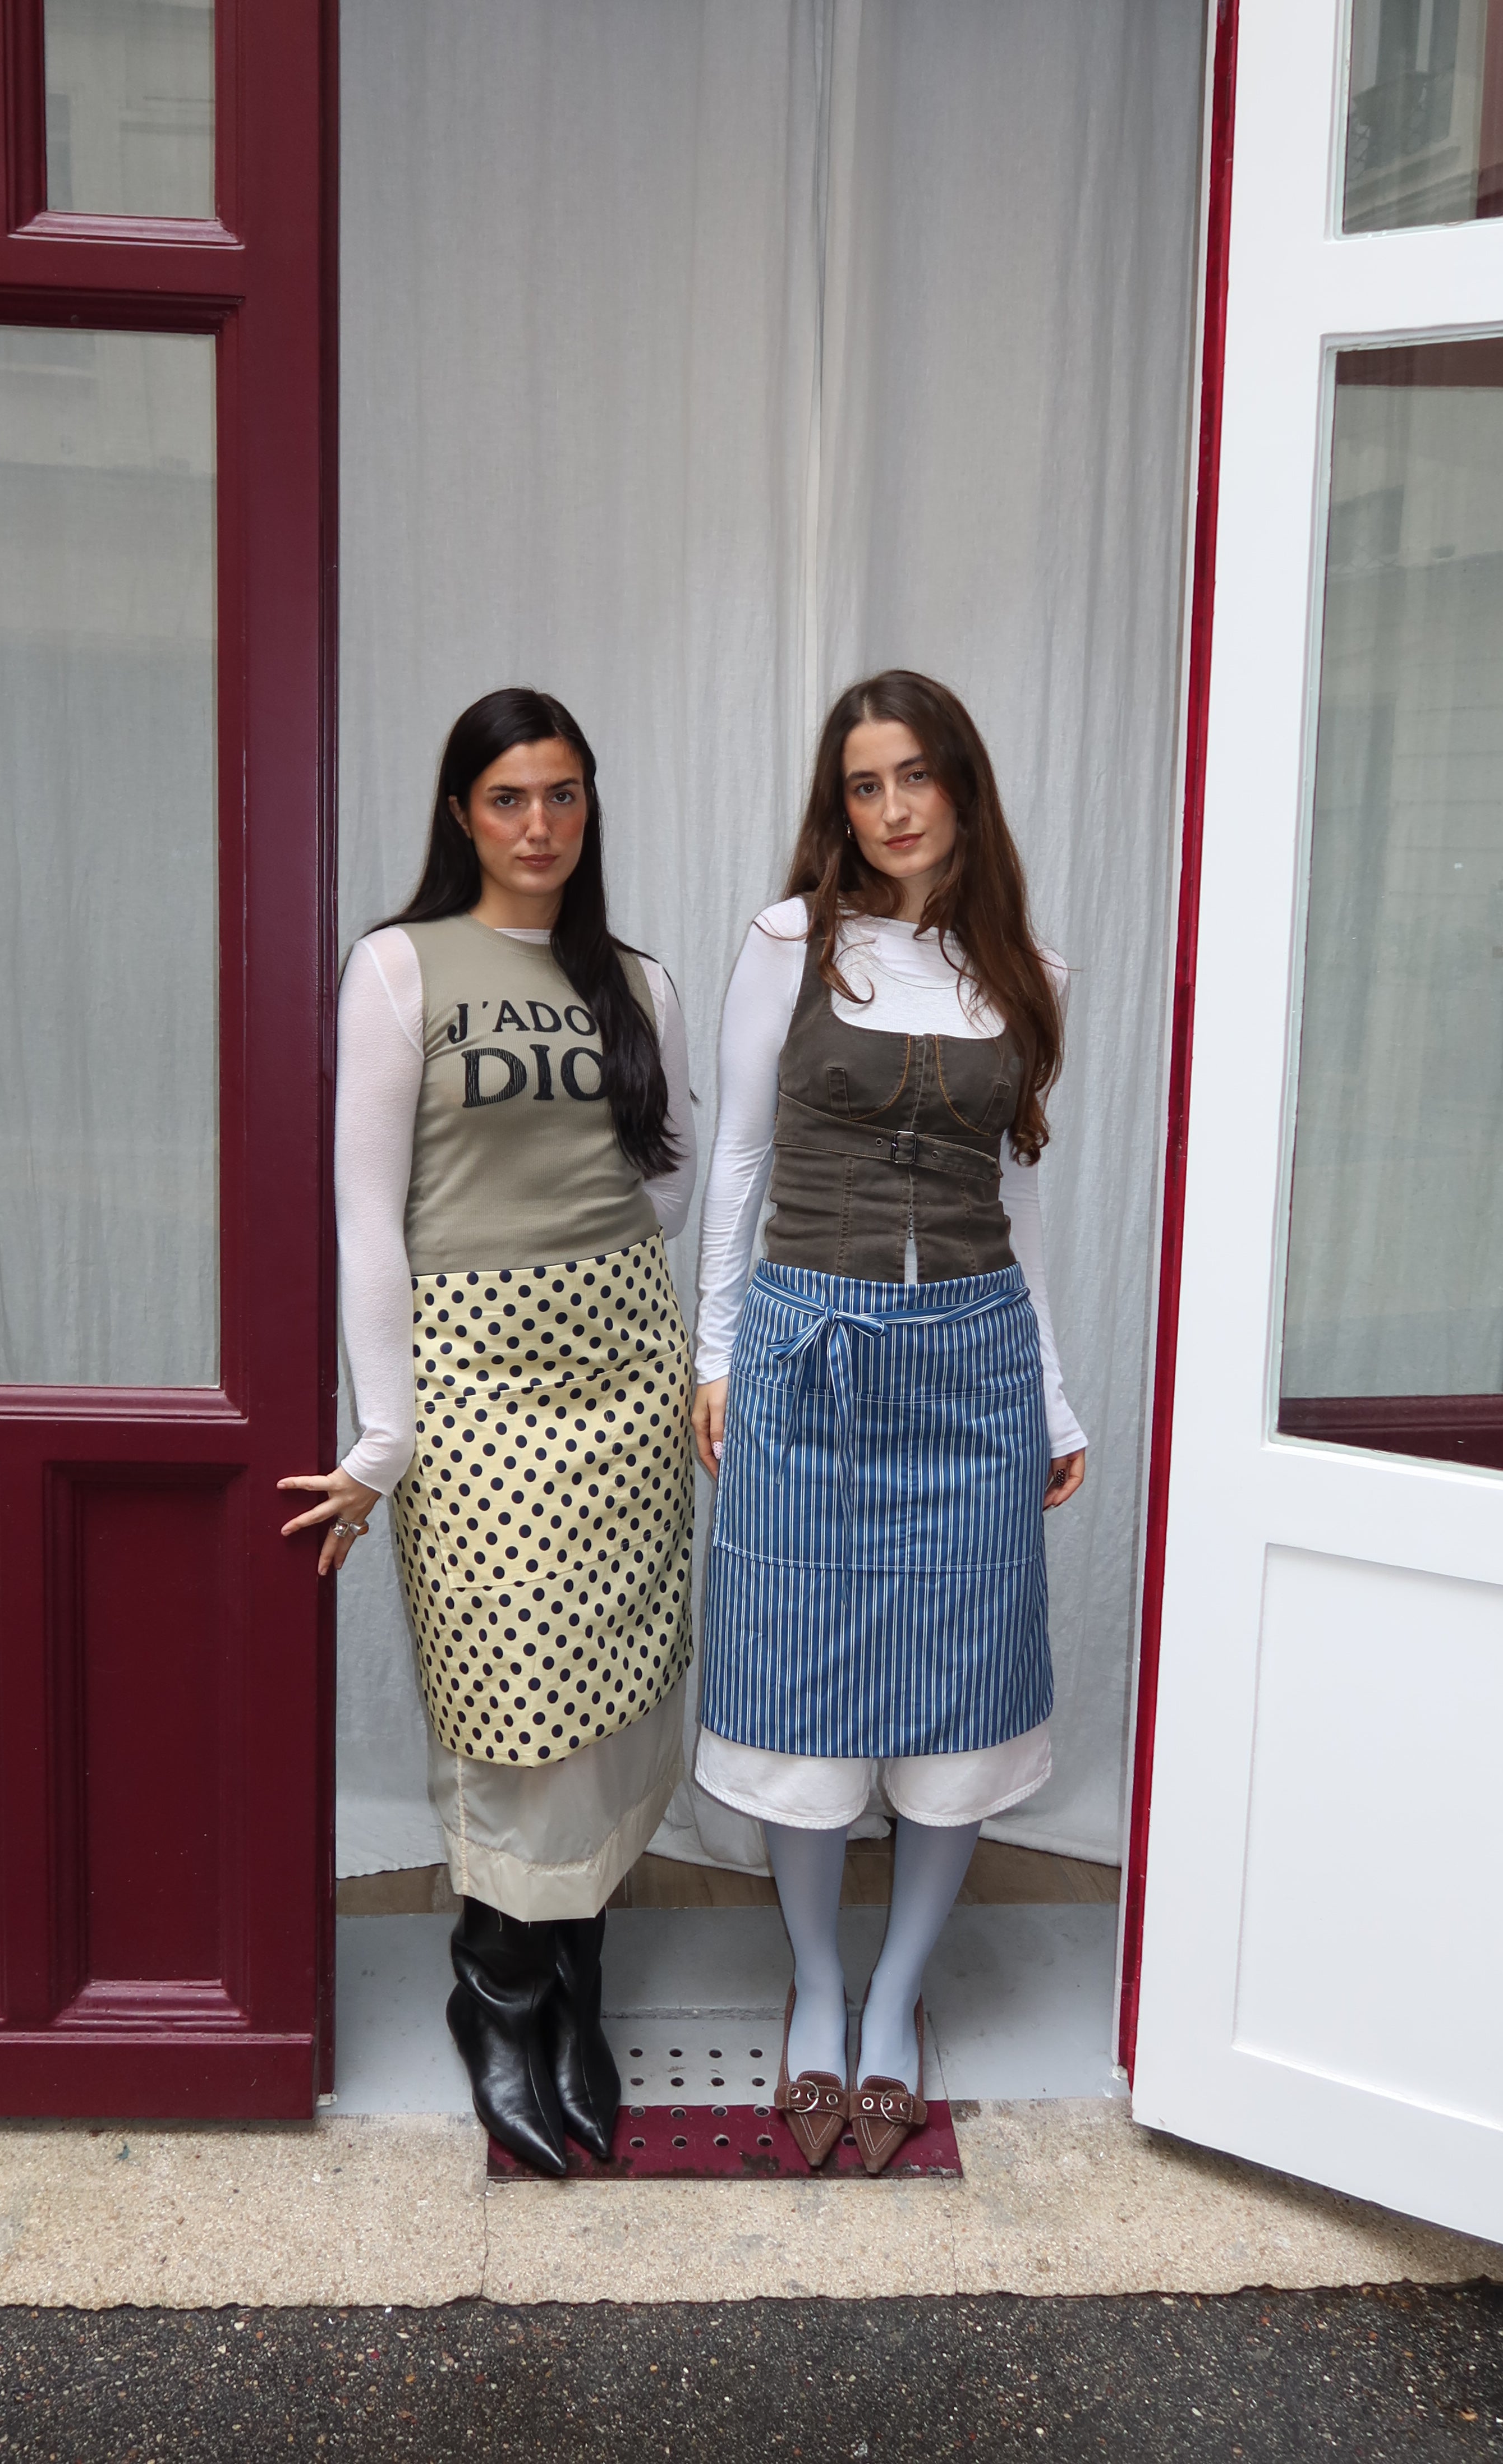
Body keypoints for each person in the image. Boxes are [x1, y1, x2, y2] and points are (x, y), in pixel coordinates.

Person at [281, 687, 696, 2178]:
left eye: (565, 797)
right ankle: (497, 1997)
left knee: (614, 1694)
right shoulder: (402, 967)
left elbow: (664, 1183)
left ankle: (573, 1984)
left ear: (592, 810)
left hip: (626, 1380)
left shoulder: (635, 977)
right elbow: (364, 1213)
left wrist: (610, 1304)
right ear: (463, 812)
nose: (539, 827)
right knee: (513, 1700)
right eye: (510, 799)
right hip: (478, 1383)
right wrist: (385, 1432)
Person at [690, 669, 1086, 2174]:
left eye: (916, 775)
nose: (893, 807)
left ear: (962, 787)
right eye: (864, 784)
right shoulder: (791, 948)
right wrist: (718, 1355)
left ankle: (902, 2000)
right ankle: (822, 1992)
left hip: (974, 1358)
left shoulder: (1027, 971)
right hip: (808, 1345)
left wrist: (1051, 1390)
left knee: (960, 1684)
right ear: (836, 805)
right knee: (801, 1676)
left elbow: (1022, 1200)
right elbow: (736, 1161)